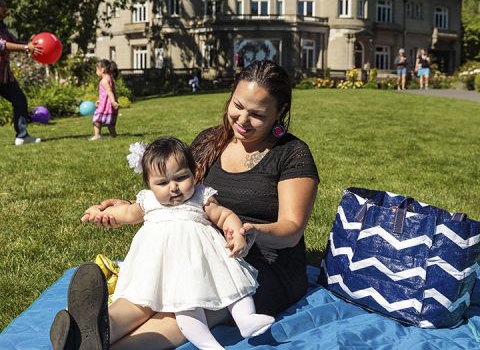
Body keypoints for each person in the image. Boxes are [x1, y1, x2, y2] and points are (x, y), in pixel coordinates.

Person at [53, 60, 319, 349]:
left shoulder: (292, 154)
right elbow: (180, 192)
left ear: (279, 112)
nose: (242, 119)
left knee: (183, 307)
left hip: (261, 266)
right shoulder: (210, 141)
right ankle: (88, 332)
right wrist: (131, 204)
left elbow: (291, 230)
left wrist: (252, 231)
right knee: (147, 293)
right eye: (238, 105)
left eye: (256, 114)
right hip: (197, 253)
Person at [55, 137, 274, 350]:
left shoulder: (201, 196)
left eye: (181, 177)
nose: (173, 187)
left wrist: (235, 232)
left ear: (194, 173)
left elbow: (224, 215)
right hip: (154, 269)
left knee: (189, 306)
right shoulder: (148, 201)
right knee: (140, 302)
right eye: (162, 182)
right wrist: (99, 212)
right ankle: (85, 332)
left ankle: (84, 337)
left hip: (192, 271)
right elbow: (125, 213)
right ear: (149, 185)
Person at [0, 0, 43, 145]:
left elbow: (15, 42)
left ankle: (22, 136)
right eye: (3, 6)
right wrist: (26, 48)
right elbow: (2, 45)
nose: (6, 9)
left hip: (4, 76)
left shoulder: (3, 27)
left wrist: (30, 45)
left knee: (19, 100)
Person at [91, 59, 119, 140]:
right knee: (110, 122)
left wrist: (113, 101)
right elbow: (106, 93)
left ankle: (97, 135)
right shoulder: (109, 78)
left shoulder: (104, 80)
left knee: (97, 120)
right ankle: (113, 135)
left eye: (97, 70)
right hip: (107, 104)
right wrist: (100, 100)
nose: (96, 72)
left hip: (105, 106)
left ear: (102, 70)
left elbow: (109, 91)